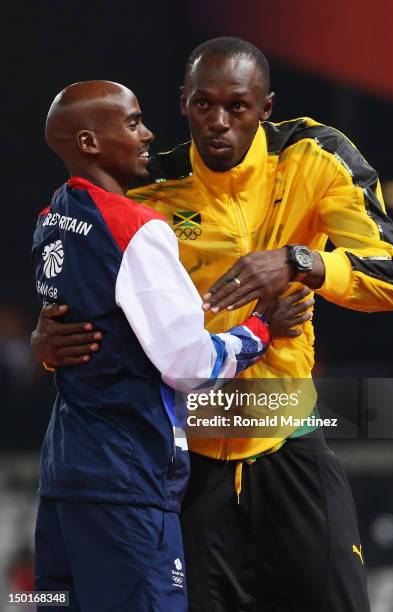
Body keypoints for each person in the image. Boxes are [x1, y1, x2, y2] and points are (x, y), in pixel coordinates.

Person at [32, 39, 393, 612]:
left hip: (285, 434)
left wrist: (295, 260)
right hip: (186, 454)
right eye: (203, 105)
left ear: (266, 106)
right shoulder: (143, 188)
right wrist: (45, 337)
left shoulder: (315, 156)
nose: (218, 122)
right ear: (183, 103)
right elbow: (76, 267)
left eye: (237, 106)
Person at [32, 79, 305, 612]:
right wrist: (262, 329)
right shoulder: (137, 228)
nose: (148, 134)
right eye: (133, 122)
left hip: (63, 480)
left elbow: (79, 327)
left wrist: (40, 343)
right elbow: (191, 364)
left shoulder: (52, 220)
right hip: (128, 480)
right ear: (89, 142)